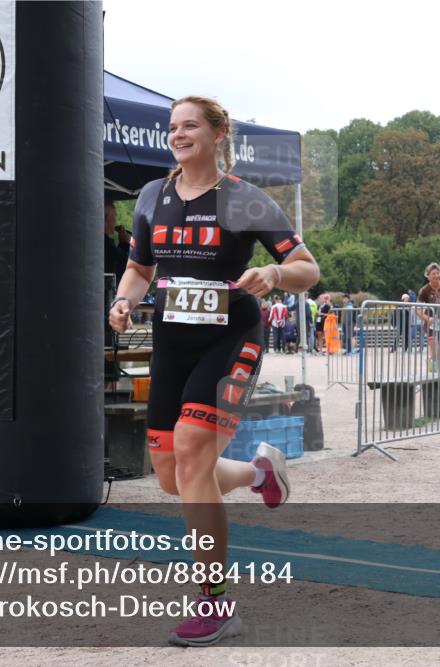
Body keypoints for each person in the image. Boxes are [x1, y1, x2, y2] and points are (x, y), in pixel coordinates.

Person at [108, 95, 320, 647]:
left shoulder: (245, 200)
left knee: (192, 451)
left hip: (231, 336)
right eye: (172, 127)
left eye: (190, 125)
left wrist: (273, 273)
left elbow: (307, 269)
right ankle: (257, 473)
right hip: (173, 340)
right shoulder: (152, 196)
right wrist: (125, 300)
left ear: (218, 133)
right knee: (173, 476)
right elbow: (138, 268)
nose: (178, 135)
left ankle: (216, 602)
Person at [104, 200, 132, 284]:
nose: (116, 221)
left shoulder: (103, 241)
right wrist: (125, 243)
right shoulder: (104, 242)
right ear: (107, 217)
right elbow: (126, 264)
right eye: (115, 216)